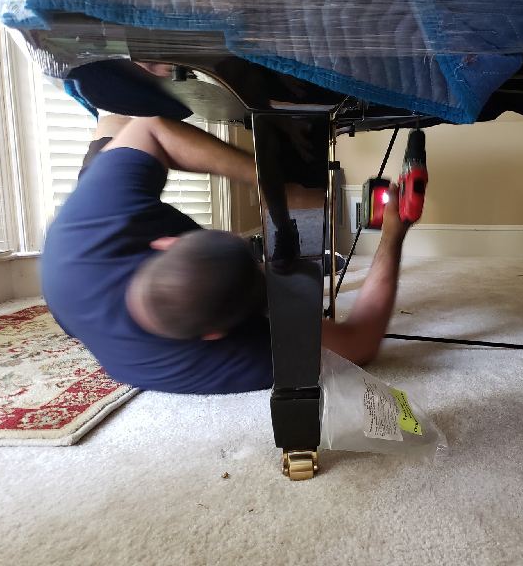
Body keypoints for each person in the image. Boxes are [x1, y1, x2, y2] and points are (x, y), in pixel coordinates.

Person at [41, 115, 411, 394]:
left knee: (119, 117)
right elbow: (359, 344)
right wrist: (395, 230)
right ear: (218, 335)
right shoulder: (218, 361)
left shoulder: (92, 224)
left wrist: (277, 185)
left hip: (68, 280)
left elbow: (149, 127)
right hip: (75, 296)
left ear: (162, 242)